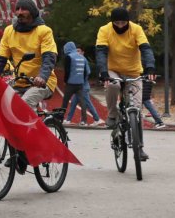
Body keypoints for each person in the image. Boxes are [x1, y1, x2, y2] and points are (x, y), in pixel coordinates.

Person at [96, 7, 163, 138]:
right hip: (113, 69)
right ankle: (112, 114)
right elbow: (101, 53)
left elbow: (146, 49)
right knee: (113, 85)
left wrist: (150, 67)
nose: (120, 26)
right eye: (117, 23)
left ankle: (140, 146)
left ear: (128, 21)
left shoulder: (136, 29)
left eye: (123, 23)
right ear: (112, 22)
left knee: (136, 109)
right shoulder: (104, 30)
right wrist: (103, 73)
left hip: (133, 72)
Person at [0, 0, 58, 109]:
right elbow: (0, 60)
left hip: (42, 82)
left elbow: (49, 57)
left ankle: (32, 127)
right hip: (19, 82)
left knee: (24, 105)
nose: (19, 12)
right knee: (3, 106)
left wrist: (42, 77)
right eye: (17, 9)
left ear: (32, 12)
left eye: (24, 9)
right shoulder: (9, 31)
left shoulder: (44, 31)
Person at [60, 42, 101, 127]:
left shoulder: (74, 57)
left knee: (86, 103)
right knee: (74, 103)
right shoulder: (81, 58)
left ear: (83, 52)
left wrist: (78, 80)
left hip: (81, 85)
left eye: (79, 51)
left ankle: (96, 119)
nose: (78, 52)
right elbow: (86, 72)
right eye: (77, 50)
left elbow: (86, 72)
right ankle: (70, 120)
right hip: (80, 84)